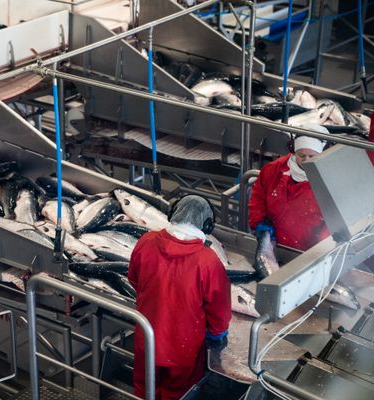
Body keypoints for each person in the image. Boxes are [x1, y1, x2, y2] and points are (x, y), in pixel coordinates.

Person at [128, 195, 231, 399]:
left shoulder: (146, 241)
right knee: (178, 393)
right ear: (207, 225)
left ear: (172, 214)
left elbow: (133, 279)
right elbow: (219, 306)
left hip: (147, 338)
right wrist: (217, 332)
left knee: (144, 388)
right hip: (184, 348)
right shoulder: (207, 260)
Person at [249, 124, 330, 251]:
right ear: (294, 151)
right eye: (301, 155)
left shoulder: (328, 179)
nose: (306, 161)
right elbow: (258, 198)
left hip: (308, 251)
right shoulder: (273, 170)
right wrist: (259, 222)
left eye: (312, 157)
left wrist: (324, 246)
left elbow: (335, 220)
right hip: (274, 245)